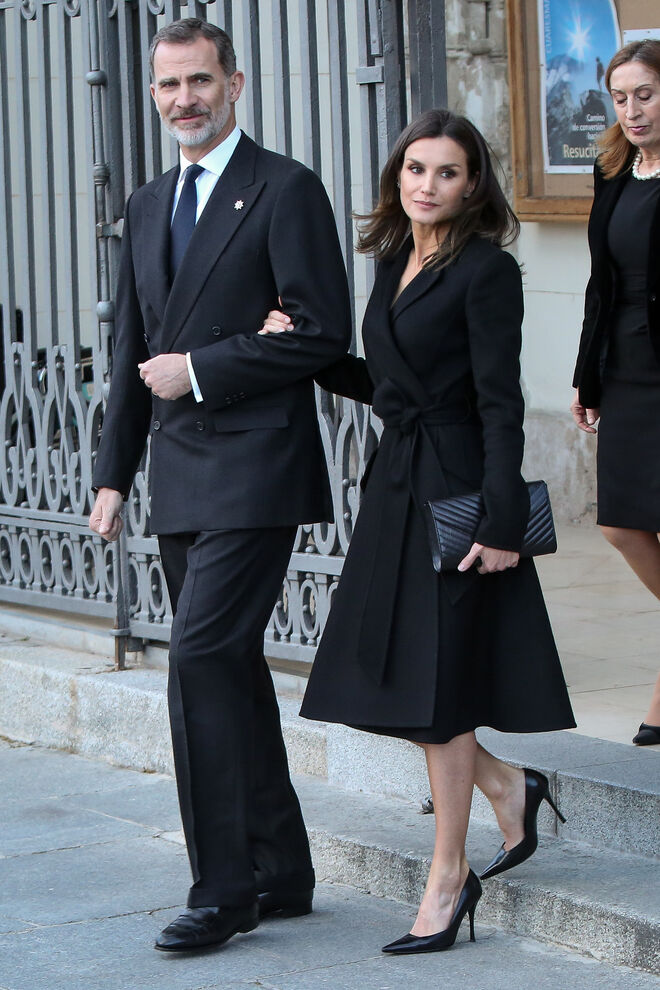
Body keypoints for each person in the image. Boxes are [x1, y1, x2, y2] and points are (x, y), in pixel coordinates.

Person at [260, 108, 575, 955]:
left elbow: (500, 403)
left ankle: (447, 877)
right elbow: (394, 384)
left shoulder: (487, 270)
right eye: (415, 169)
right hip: (396, 484)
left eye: (447, 172)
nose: (427, 185)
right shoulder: (395, 258)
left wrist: (503, 521)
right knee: (374, 676)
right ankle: (507, 786)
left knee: (438, 694)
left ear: (472, 186)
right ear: (396, 176)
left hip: (459, 490)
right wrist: (310, 353)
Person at [89, 17, 351, 952]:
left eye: (199, 81)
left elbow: (322, 333)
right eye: (168, 85)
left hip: (258, 467)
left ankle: (224, 887)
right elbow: (132, 349)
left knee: (198, 659)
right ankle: (282, 869)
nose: (184, 100)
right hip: (178, 474)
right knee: (229, 667)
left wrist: (201, 368)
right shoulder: (148, 202)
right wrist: (113, 473)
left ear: (234, 84)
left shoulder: (286, 188)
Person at [571, 40, 660, 748]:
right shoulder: (612, 172)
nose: (632, 110)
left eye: (646, 95)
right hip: (626, 367)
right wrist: (587, 373)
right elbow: (600, 284)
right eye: (621, 97)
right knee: (621, 525)